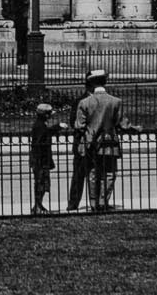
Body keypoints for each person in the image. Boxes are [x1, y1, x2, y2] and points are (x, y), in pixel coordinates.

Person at [75, 69, 134, 211]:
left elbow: (79, 126)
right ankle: (103, 201)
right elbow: (123, 124)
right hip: (110, 142)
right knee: (109, 173)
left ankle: (94, 203)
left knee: (92, 173)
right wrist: (136, 129)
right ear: (105, 82)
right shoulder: (115, 102)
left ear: (91, 83)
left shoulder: (84, 102)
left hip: (91, 143)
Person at [29, 103, 67, 214]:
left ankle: (38, 205)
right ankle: (37, 206)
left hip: (40, 158)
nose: (51, 116)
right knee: (41, 182)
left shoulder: (40, 124)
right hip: (40, 159)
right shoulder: (40, 126)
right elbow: (40, 140)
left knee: (42, 182)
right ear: (46, 115)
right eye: (50, 114)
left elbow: (47, 132)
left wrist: (57, 127)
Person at [65, 75, 94, 211]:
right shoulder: (80, 101)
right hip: (82, 143)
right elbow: (73, 122)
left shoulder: (100, 100)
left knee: (96, 174)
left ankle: (97, 202)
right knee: (78, 174)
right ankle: (73, 202)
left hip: (95, 143)